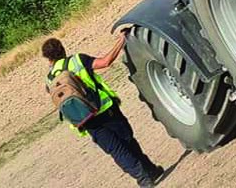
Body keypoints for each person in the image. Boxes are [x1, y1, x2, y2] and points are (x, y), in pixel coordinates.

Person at [43, 32, 164, 186]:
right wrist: (121, 41)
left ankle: (145, 176)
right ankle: (149, 171)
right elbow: (106, 62)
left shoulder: (49, 80)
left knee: (116, 150)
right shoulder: (77, 60)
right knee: (127, 140)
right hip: (105, 109)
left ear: (48, 58)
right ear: (63, 49)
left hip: (85, 119)